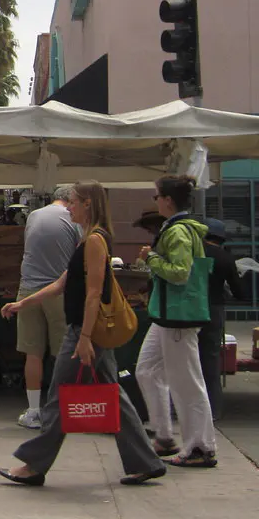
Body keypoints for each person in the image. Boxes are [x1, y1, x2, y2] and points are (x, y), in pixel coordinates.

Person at [0, 181, 166, 487]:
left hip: (84, 333)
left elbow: (93, 295)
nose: (69, 207)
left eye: (73, 202)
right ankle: (145, 461)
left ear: (88, 204)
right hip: (85, 333)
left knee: (59, 396)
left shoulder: (95, 241)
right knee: (113, 395)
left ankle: (34, 464)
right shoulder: (87, 240)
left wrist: (85, 338)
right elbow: (62, 283)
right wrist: (24, 303)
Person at [135, 175, 217, 468]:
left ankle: (201, 446)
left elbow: (180, 272)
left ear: (168, 200)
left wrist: (152, 259)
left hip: (177, 315)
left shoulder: (178, 232)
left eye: (156, 196)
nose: (155, 201)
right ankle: (165, 435)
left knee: (187, 383)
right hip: (169, 314)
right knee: (147, 369)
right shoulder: (178, 229)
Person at [14, 186, 81, 430]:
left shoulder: (33, 215)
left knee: (33, 353)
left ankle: (33, 410)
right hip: (58, 292)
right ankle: (62, 409)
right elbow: (80, 255)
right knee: (63, 353)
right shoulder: (74, 219)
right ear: (69, 200)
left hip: (27, 290)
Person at [199, 218, 245, 418]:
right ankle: (213, 411)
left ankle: (184, 409)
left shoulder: (195, 254)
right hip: (214, 311)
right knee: (211, 361)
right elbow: (240, 293)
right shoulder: (226, 259)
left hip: (190, 310)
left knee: (187, 360)